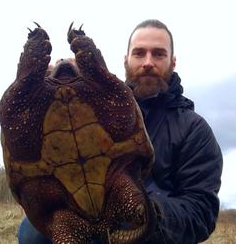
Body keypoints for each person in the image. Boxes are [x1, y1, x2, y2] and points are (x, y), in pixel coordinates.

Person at [18, 19, 223, 244]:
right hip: (76, 207)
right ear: (126, 60)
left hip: (150, 232)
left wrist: (149, 214)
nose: (147, 62)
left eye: (158, 54)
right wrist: (50, 83)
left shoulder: (195, 130)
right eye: (139, 53)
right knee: (32, 232)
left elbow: (201, 210)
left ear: (173, 62)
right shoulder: (99, 102)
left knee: (133, 210)